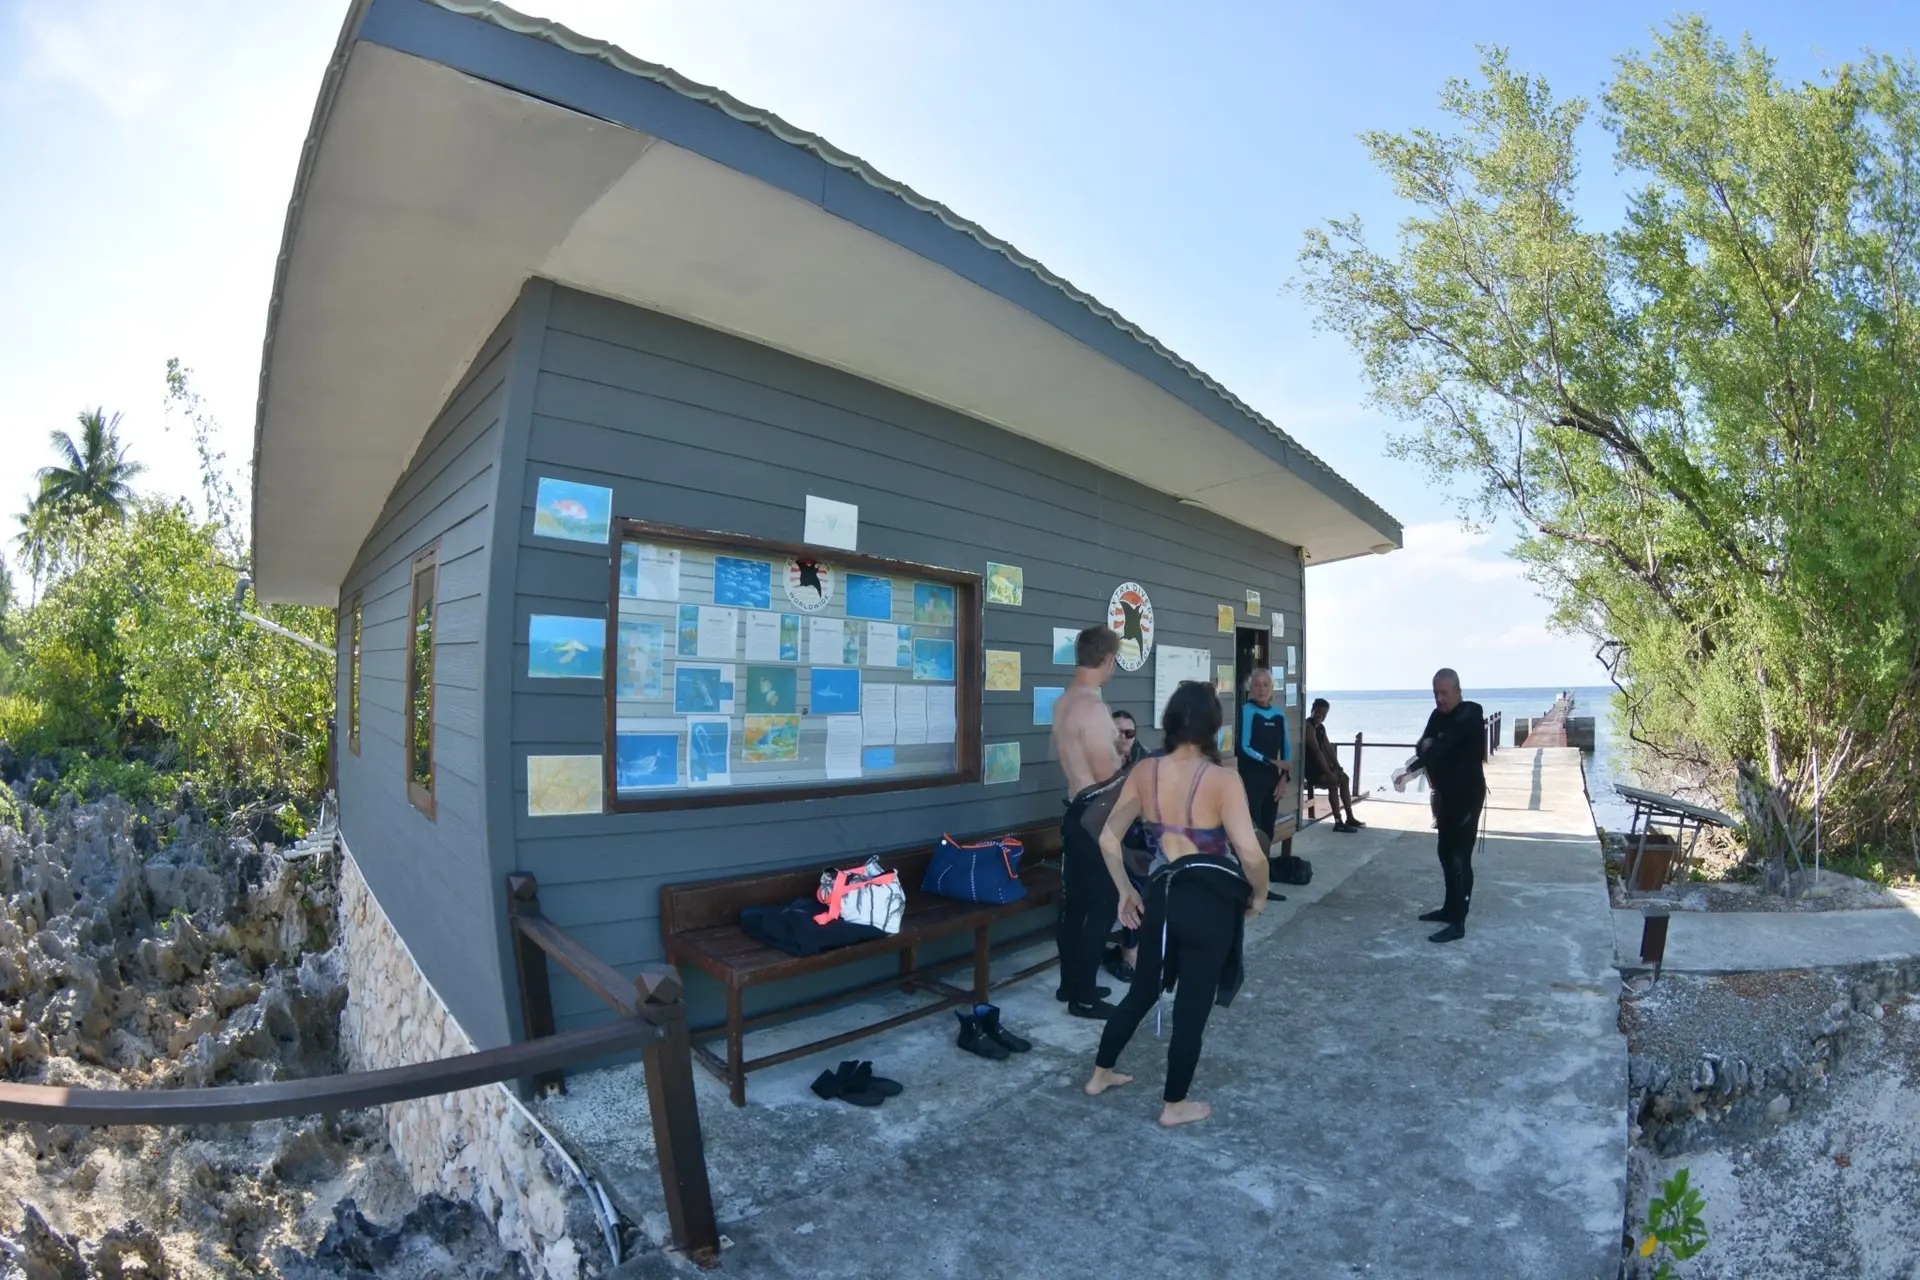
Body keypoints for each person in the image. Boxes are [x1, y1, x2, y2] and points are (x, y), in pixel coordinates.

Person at [1083, 681, 1270, 1128]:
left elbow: (1107, 837)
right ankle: (1174, 1104)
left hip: (1161, 899)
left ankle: (1100, 1074)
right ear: (1213, 726)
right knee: (1192, 1007)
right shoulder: (1224, 780)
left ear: (1169, 722)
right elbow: (1250, 853)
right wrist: (1260, 893)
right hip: (1209, 906)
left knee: (1142, 992)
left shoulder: (1145, 771)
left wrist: (1126, 890)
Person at [1051, 626, 1126, 1018]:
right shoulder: (1092, 708)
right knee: (1102, 905)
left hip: (1075, 811)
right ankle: (1082, 998)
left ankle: (1072, 984)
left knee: (1076, 906)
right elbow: (1106, 773)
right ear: (1109, 659)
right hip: (1097, 814)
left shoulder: (1064, 701)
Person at [1409, 668, 1487, 944]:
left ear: (1457, 691)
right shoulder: (1436, 716)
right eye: (1435, 694)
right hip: (1445, 795)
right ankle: (1449, 908)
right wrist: (1427, 747)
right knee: (1444, 852)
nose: (1439, 699)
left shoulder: (1471, 713)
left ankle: (1459, 921)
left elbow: (1441, 745)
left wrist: (1415, 765)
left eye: (1444, 693)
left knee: (1459, 857)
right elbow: (1422, 745)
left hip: (1467, 796)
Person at [1235, 668, 1292, 838]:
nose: (1261, 689)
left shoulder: (1279, 714)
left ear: (1272, 688)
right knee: (1253, 830)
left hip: (1272, 781)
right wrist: (1272, 761)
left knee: (1268, 831)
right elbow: (1245, 747)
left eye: (1266, 685)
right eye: (1257, 685)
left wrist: (1283, 779)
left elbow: (1287, 749)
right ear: (1250, 688)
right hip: (1251, 779)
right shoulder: (1246, 710)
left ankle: (1265, 856)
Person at [1304, 697, 1362, 833]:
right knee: (1333, 783)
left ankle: (1349, 816)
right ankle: (1338, 821)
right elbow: (1317, 752)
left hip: (1321, 766)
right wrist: (1329, 774)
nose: (1320, 715)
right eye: (1318, 712)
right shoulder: (1309, 727)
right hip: (1311, 769)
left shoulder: (1321, 728)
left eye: (1324, 713)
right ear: (1312, 711)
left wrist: (1337, 767)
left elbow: (1328, 748)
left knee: (1344, 778)